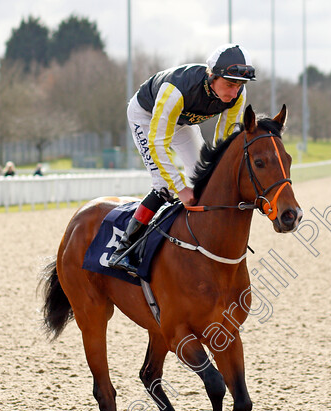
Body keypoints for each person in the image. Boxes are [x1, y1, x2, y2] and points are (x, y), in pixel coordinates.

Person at [107, 44, 255, 272]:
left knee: (202, 176)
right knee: (164, 185)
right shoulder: (175, 91)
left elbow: (224, 142)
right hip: (146, 117)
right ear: (211, 76)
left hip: (182, 123)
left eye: (239, 86)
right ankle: (123, 248)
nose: (234, 93)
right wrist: (180, 189)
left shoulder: (237, 96)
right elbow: (158, 143)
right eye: (229, 84)